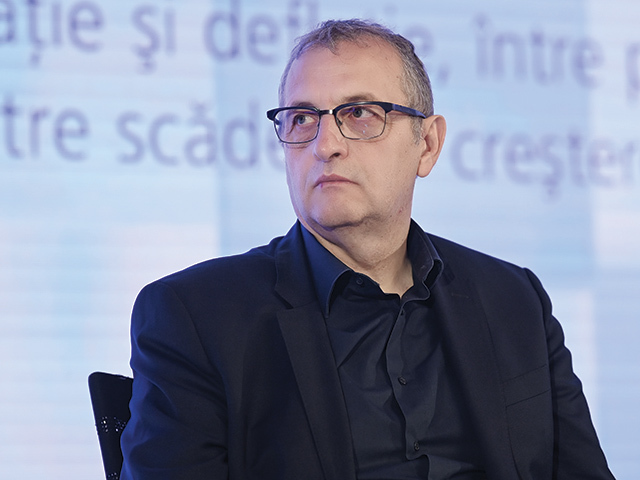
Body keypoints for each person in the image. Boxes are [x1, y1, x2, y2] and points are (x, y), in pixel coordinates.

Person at [120, 19, 615, 480]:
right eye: (302, 118)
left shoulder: (513, 299)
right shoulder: (196, 316)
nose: (325, 145)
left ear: (427, 144)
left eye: (358, 114)